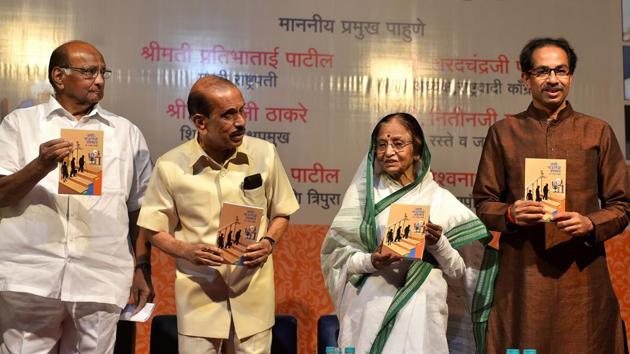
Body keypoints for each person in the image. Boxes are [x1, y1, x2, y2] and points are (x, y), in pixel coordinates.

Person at [473, 37, 630, 354]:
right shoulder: (504, 132)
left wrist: (590, 222)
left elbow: (622, 205)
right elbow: (484, 202)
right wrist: (510, 215)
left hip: (582, 276)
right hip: (523, 277)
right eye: (543, 71)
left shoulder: (597, 131)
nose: (553, 79)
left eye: (561, 70)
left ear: (571, 76)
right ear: (525, 78)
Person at [0, 40, 154, 353]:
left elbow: (140, 208)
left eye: (102, 73)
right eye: (88, 72)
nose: (99, 80)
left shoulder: (126, 132)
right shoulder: (20, 124)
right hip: (31, 274)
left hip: (101, 274)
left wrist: (142, 269)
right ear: (59, 76)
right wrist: (40, 166)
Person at [137, 75, 299, 354]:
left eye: (242, 110)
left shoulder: (264, 154)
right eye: (228, 115)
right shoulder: (171, 166)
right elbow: (153, 229)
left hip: (253, 295)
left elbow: (282, 211)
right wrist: (186, 251)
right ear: (201, 122)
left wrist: (269, 243)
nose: (241, 122)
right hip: (199, 296)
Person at [321, 113, 490, 354]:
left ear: (418, 151)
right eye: (381, 144)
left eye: (398, 143)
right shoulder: (363, 198)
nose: (388, 151)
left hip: (423, 313)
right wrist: (372, 260)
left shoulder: (440, 199)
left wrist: (438, 243)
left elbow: (458, 270)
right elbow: (339, 257)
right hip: (370, 309)